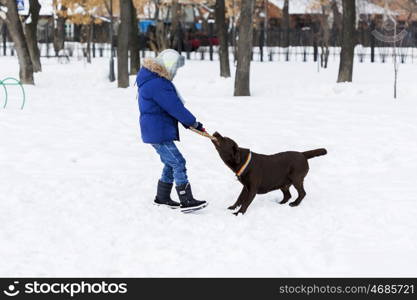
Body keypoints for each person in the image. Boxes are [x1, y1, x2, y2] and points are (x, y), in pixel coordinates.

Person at [136, 49, 208, 212]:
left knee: (170, 163)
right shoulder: (157, 84)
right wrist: (193, 123)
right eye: (175, 68)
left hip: (155, 130)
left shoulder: (151, 80)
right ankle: (186, 199)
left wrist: (191, 124)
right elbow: (175, 107)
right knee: (178, 162)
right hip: (158, 131)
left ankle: (162, 197)